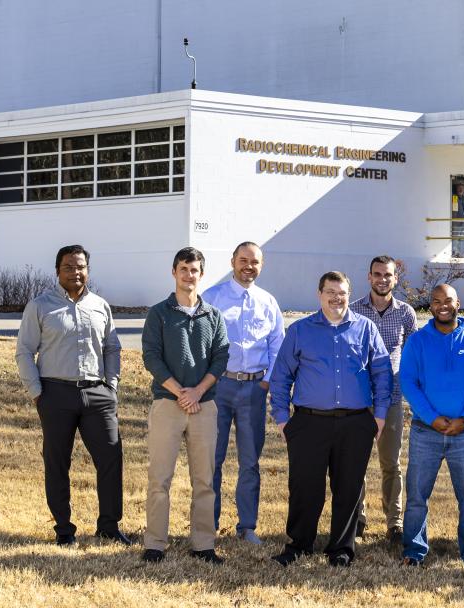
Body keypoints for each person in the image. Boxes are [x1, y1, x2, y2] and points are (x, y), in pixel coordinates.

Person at [269, 271, 391, 568]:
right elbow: (281, 377)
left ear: (349, 295)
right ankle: (299, 544)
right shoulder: (300, 330)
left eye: (342, 293)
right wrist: (284, 420)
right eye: (330, 292)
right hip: (309, 423)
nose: (337, 298)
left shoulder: (366, 329)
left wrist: (379, 417)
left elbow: (382, 374)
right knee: (305, 486)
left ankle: (341, 549)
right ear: (319, 294)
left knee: (349, 488)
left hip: (355, 423)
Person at [15, 244, 128, 546]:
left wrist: (111, 386)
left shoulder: (101, 306)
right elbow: (24, 350)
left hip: (97, 394)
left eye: (80, 267)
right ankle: (64, 529)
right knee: (57, 463)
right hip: (55, 394)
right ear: (57, 271)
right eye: (68, 267)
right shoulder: (40, 306)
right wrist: (37, 393)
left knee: (111, 458)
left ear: (87, 270)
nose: (75, 272)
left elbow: (112, 347)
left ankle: (108, 526)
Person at [141, 246, 230, 563]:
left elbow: (220, 359)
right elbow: (151, 357)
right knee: (159, 478)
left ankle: (204, 545)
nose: (188, 275)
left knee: (204, 480)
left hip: (204, 407)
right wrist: (180, 391)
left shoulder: (213, 316)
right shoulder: (159, 313)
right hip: (167, 403)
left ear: (201, 275)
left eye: (194, 270)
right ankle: (155, 543)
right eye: (183, 268)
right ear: (174, 272)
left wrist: (197, 392)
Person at [399, 284, 464, 571]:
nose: (443, 305)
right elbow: (408, 382)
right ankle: (414, 551)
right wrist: (432, 417)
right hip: (425, 431)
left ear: (458, 303)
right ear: (430, 305)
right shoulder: (417, 342)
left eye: (448, 300)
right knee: (417, 495)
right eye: (437, 301)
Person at [201, 241, 284, 545]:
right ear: (233, 261)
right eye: (243, 260)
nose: (249, 266)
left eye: (255, 262)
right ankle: (207, 524)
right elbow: (202, 343)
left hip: (254, 389)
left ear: (261, 266)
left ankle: (247, 526)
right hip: (219, 388)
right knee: (213, 458)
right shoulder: (213, 298)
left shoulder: (268, 302)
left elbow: (278, 346)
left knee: (250, 461)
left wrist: (267, 383)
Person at [350, 255, 418, 543]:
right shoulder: (353, 310)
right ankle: (358, 518)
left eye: (387, 275)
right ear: (369, 277)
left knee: (391, 462)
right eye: (377, 274)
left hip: (390, 398)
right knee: (356, 462)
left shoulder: (406, 313)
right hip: (359, 398)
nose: (382, 279)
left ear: (395, 278)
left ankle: (395, 521)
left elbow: (413, 356)